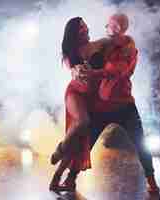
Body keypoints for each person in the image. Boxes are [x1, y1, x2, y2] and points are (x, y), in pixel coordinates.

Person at [49, 17, 110, 192]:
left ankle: (56, 179)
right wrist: (77, 71)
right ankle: (60, 149)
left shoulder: (99, 44)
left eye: (85, 25)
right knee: (82, 122)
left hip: (91, 97)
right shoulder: (70, 53)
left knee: (78, 143)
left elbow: (116, 41)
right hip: (75, 93)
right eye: (81, 27)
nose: (85, 28)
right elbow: (73, 70)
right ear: (74, 33)